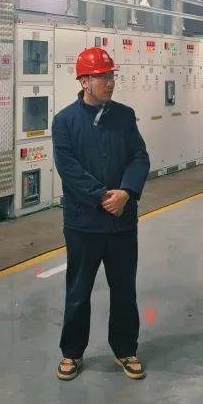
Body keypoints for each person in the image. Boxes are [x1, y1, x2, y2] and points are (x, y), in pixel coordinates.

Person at [52, 46, 151, 382]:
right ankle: (72, 352)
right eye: (102, 76)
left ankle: (125, 349)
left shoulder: (124, 116)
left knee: (124, 290)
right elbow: (68, 168)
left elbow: (139, 157)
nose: (110, 82)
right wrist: (101, 196)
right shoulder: (65, 121)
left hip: (122, 222)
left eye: (111, 75)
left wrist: (126, 192)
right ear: (84, 81)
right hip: (83, 224)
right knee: (78, 291)